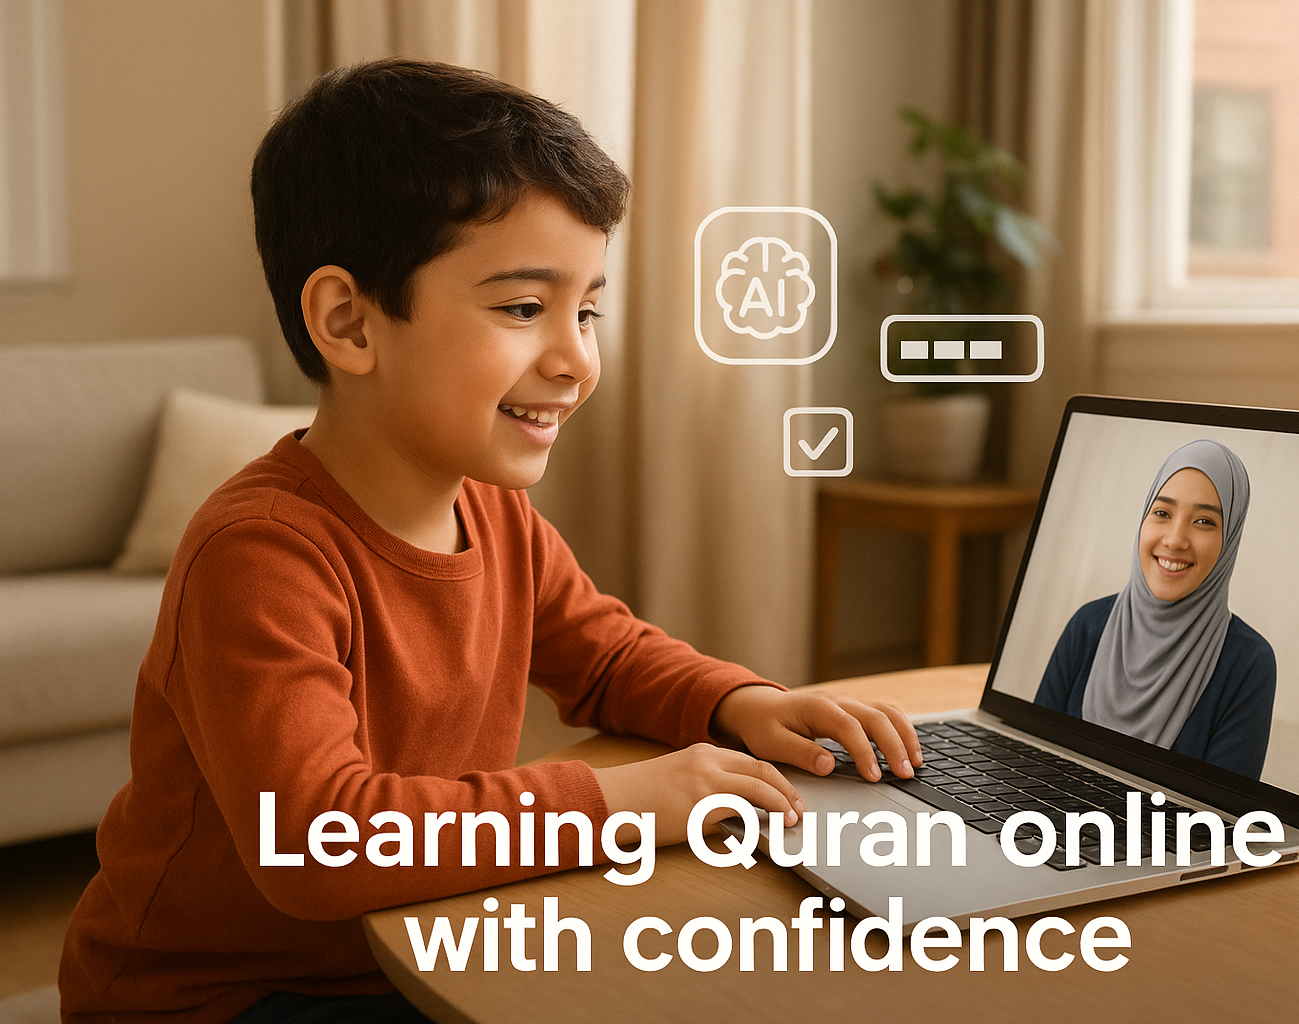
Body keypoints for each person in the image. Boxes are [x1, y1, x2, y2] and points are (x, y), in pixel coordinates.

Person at [59, 59, 921, 1024]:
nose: (576, 359)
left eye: (587, 309)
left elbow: (607, 656)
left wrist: (741, 700)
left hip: (412, 936)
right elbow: (320, 844)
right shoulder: (260, 554)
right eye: (523, 308)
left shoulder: (493, 511)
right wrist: (624, 804)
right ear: (348, 321)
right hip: (226, 996)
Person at [1034, 439, 1275, 779]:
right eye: (1162, 513)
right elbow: (1030, 761)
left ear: (1230, 538)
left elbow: (1221, 821)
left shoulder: (1247, 663)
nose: (1175, 540)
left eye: (1205, 521)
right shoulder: (1088, 625)